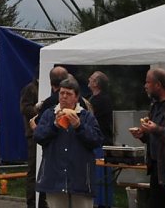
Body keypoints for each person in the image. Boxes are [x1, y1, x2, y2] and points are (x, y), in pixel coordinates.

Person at [34, 77, 104, 208]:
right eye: (62, 93)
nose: (64, 97)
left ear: (76, 97)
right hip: (54, 179)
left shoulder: (86, 116)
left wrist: (79, 126)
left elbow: (97, 140)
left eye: (69, 94)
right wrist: (54, 126)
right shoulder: (49, 114)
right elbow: (38, 137)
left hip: (81, 180)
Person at [129, 68, 165, 208]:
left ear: (158, 85)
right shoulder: (154, 105)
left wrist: (156, 129)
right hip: (156, 168)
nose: (145, 86)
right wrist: (143, 135)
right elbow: (154, 138)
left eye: (147, 82)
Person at [88, 71, 113, 208]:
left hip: (100, 143)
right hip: (99, 142)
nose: (88, 80)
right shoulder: (94, 98)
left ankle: (101, 203)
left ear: (96, 84)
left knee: (100, 178)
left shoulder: (100, 100)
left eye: (91, 79)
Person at [19, 76, 39, 208]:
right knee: (33, 169)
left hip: (44, 133)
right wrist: (38, 109)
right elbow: (24, 109)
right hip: (33, 134)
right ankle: (31, 201)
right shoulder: (30, 89)